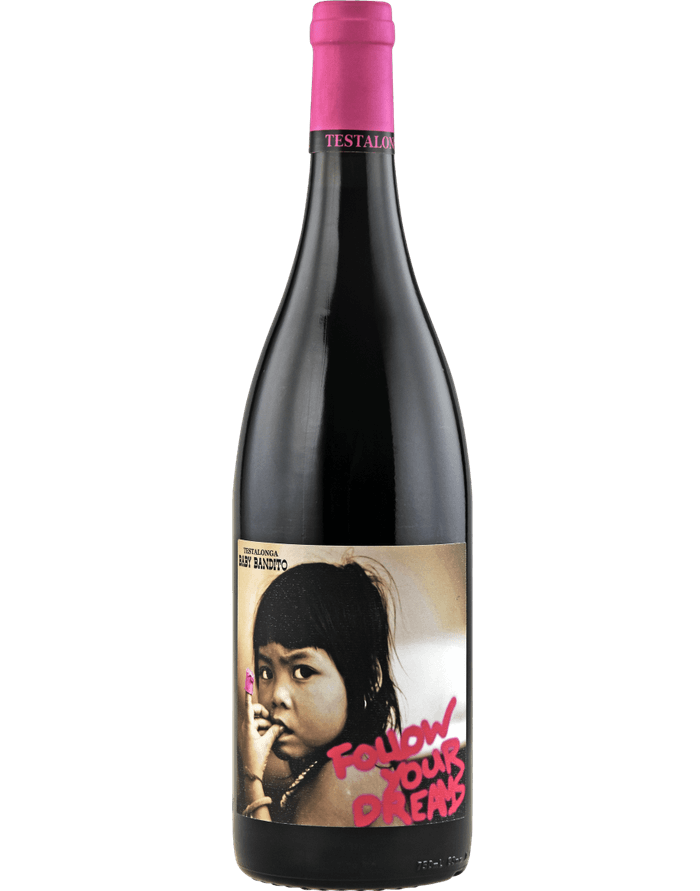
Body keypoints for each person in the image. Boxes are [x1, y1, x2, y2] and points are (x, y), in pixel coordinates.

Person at [238, 558, 405, 826]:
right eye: (266, 672)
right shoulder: (359, 762)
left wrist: (252, 778)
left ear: (369, 679)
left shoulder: (342, 776)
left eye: (303, 671)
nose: (276, 695)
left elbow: (279, 855)